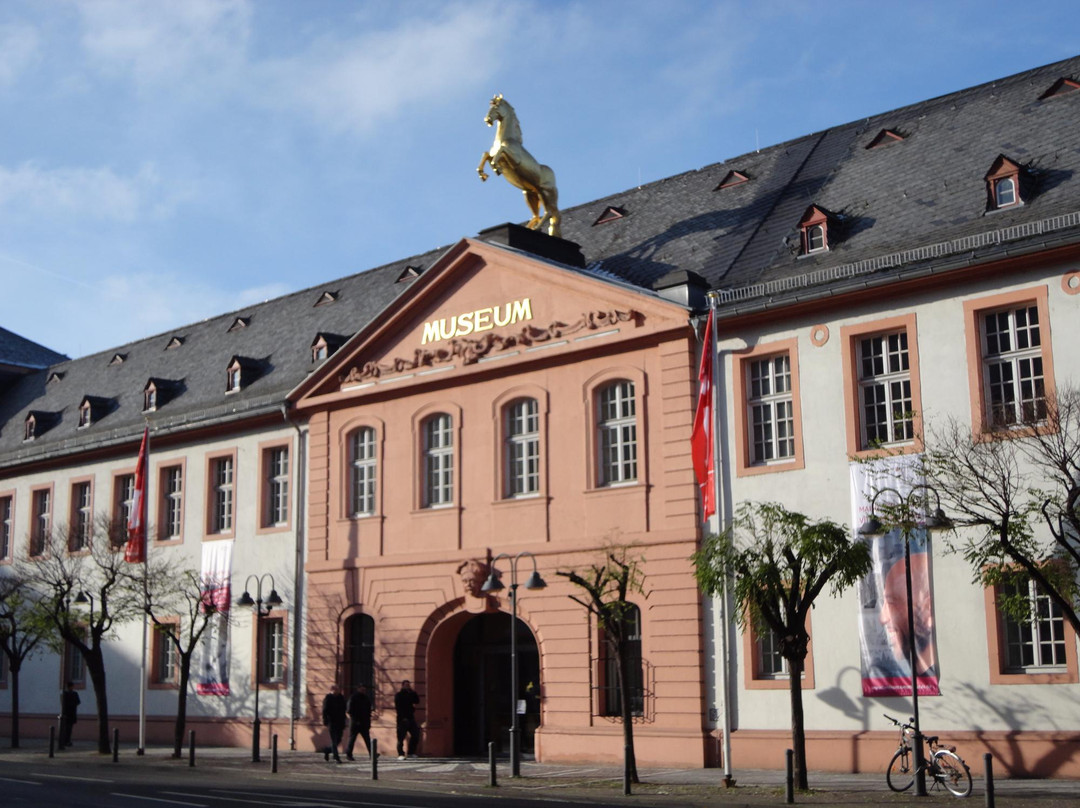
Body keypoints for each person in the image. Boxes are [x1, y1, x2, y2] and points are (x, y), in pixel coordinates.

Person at [394, 679, 420, 760]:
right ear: (402, 685)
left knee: (415, 735)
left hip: (411, 717)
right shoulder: (399, 695)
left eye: (408, 685)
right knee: (401, 737)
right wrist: (403, 718)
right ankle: (400, 754)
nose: (407, 686)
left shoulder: (411, 694)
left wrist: (413, 692)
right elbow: (398, 707)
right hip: (402, 719)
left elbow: (417, 701)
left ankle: (411, 752)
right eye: (406, 685)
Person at [321, 683, 347, 763]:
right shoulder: (328, 698)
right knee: (334, 740)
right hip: (332, 722)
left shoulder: (341, 698)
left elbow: (344, 709)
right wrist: (325, 720)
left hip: (340, 722)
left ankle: (327, 750)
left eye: (338, 689)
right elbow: (325, 710)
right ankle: (336, 757)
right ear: (332, 690)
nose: (338, 690)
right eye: (336, 689)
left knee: (339, 739)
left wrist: (344, 720)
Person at [345, 684, 372, 760]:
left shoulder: (366, 698)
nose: (363, 691)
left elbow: (368, 711)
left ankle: (372, 754)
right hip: (355, 722)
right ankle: (349, 754)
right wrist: (355, 719)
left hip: (364, 722)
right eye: (362, 689)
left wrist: (368, 722)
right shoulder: (353, 697)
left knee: (367, 739)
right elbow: (349, 710)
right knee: (352, 739)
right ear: (358, 689)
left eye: (364, 690)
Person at [59, 681, 80, 748]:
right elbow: (63, 703)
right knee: (67, 728)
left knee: (69, 728)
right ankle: (65, 741)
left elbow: (78, 702)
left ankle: (67, 740)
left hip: (70, 713)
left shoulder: (74, 694)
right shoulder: (66, 694)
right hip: (68, 713)